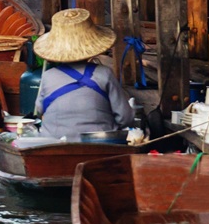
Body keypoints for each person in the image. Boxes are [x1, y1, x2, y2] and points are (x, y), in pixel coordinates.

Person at [32, 8, 137, 139]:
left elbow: (38, 111)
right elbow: (125, 118)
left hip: (53, 143)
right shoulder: (104, 73)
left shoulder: (48, 76)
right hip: (100, 144)